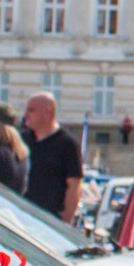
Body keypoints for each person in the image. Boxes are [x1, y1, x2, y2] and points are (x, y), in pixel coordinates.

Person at [24, 92, 84, 224]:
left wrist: (65, 222)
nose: (26, 115)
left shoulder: (67, 144)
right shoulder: (23, 140)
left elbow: (74, 187)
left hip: (50, 220)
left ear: (48, 112)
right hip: (22, 216)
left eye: (31, 110)